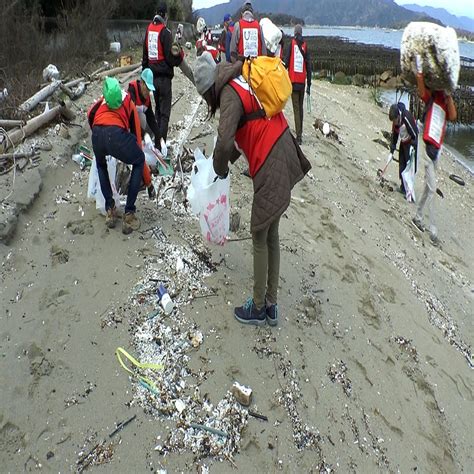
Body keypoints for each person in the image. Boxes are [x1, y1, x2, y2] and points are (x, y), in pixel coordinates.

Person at [193, 52, 311, 326]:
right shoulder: (240, 79)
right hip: (283, 146)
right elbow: (238, 140)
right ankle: (271, 304)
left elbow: (224, 143)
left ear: (210, 88)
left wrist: (219, 172)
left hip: (271, 159)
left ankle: (258, 307)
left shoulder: (228, 94)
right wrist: (221, 165)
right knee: (272, 232)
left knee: (259, 232)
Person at [87, 78, 145, 234]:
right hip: (116, 134)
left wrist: (98, 135)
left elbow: (89, 114)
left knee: (101, 165)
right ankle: (129, 213)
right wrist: (147, 178)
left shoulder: (102, 100)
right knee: (139, 160)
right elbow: (137, 137)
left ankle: (110, 209)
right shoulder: (128, 102)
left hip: (98, 133)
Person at [411, 55, 457, 246]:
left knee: (428, 188)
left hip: (437, 150)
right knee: (432, 189)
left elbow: (453, 116)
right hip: (428, 148)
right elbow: (421, 88)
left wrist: (449, 95)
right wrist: (419, 69)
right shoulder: (430, 98)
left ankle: (418, 217)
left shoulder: (445, 103)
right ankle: (433, 231)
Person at [142, 2, 184, 147]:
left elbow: (145, 57)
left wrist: (144, 77)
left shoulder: (149, 30)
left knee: (157, 112)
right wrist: (180, 55)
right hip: (164, 79)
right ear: (165, 15)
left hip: (152, 79)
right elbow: (171, 59)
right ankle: (160, 146)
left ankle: (151, 143)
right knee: (164, 115)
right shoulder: (165, 33)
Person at [284, 24, 312, 145]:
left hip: (294, 81)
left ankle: (299, 136)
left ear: (295, 33)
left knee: (296, 109)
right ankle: (300, 132)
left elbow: (286, 62)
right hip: (302, 81)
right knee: (300, 108)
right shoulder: (305, 46)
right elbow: (309, 66)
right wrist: (309, 84)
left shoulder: (291, 44)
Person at [388, 102, 418, 195]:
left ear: (398, 116)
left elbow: (415, 133)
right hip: (403, 141)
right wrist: (392, 150)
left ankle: (408, 190)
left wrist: (412, 149)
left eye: (394, 120)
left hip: (411, 143)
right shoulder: (395, 122)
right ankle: (403, 186)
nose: (394, 123)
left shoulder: (406, 117)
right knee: (402, 164)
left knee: (409, 167)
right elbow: (395, 136)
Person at [128, 68, 161, 148]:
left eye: (150, 90)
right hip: (126, 122)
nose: (148, 92)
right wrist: (144, 134)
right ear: (142, 83)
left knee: (146, 120)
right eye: (147, 89)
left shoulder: (147, 98)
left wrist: (159, 137)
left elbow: (151, 118)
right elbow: (131, 118)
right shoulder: (132, 91)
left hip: (135, 122)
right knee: (141, 118)